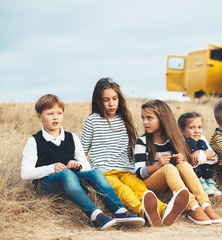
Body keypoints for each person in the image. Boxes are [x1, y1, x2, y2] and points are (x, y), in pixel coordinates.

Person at [21, 94, 145, 230]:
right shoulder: (34, 141)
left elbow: (86, 167)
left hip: (72, 181)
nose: (55, 117)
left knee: (96, 172)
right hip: (47, 185)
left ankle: (119, 211)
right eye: (50, 114)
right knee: (66, 174)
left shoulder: (71, 137)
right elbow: (25, 174)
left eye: (59, 113)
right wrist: (52, 168)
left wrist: (77, 166)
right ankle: (96, 215)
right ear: (39, 116)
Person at [81, 78, 188, 227]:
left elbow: (131, 148)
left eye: (114, 98)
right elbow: (82, 150)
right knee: (123, 190)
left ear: (119, 99)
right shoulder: (92, 121)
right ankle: (143, 212)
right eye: (106, 100)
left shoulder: (124, 119)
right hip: (105, 171)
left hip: (126, 169)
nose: (111, 103)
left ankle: (164, 210)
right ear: (99, 101)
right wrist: (83, 173)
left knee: (140, 188)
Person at [135, 99, 222, 225]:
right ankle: (192, 207)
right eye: (143, 118)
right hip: (151, 184)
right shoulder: (142, 141)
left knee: (184, 165)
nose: (145, 122)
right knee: (168, 168)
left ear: (162, 119)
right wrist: (158, 165)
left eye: (149, 118)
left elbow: (186, 166)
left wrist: (181, 159)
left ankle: (205, 204)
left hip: (171, 184)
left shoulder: (173, 139)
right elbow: (139, 172)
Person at [177, 111, 221, 196]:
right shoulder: (181, 142)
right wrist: (204, 156)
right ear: (182, 130)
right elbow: (190, 164)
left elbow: (215, 158)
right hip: (191, 176)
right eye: (192, 128)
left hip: (206, 173)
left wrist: (200, 153)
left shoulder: (201, 139)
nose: (197, 131)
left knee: (200, 143)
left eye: (199, 127)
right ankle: (201, 183)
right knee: (191, 142)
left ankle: (209, 183)